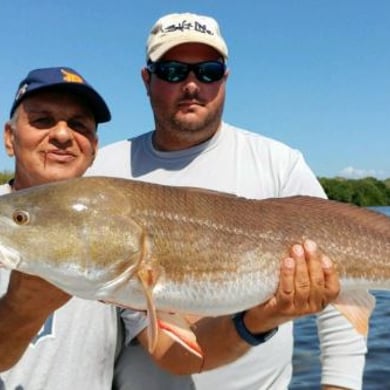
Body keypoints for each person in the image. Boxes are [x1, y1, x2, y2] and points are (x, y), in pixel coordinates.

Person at [88, 12, 367, 390]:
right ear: (146, 79)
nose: (191, 85)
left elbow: (338, 290)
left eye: (208, 71)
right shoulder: (104, 170)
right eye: (172, 71)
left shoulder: (280, 163)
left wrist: (340, 384)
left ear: (225, 79)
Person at [0, 66, 119, 389]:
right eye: (42, 120)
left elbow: (169, 348)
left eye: (78, 125)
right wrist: (17, 311)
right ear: (9, 138)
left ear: (94, 148)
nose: (63, 135)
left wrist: (253, 324)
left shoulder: (121, 227)